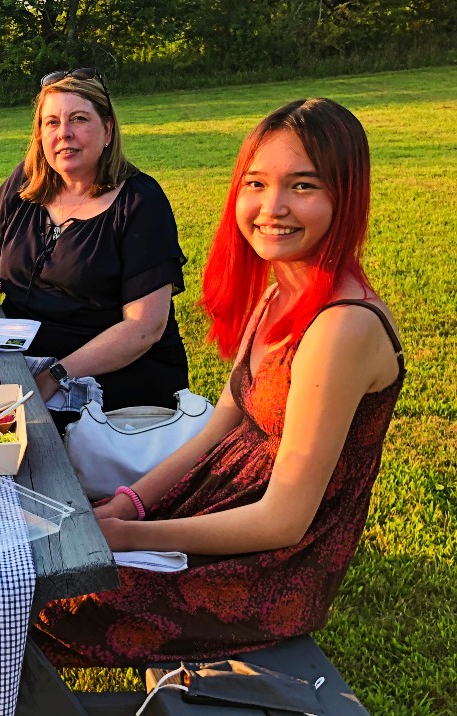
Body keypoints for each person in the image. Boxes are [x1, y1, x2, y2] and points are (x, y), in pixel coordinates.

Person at [33, 98, 404, 667]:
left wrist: (131, 540)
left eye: (303, 186)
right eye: (256, 183)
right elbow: (223, 422)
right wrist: (134, 503)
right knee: (24, 561)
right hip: (218, 506)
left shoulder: (342, 328)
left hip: (268, 572)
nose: (271, 207)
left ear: (345, 193)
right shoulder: (284, 289)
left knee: (34, 602)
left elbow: (285, 520)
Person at [0, 68, 189, 412]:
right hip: (21, 360)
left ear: (107, 129)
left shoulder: (140, 203)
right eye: (51, 123)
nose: (64, 133)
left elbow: (143, 329)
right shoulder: (25, 182)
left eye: (79, 119)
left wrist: (55, 375)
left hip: (111, 381)